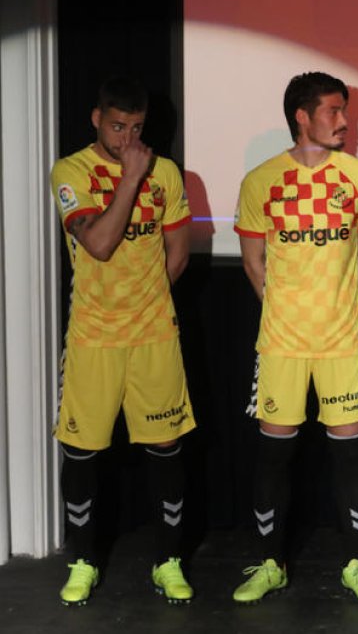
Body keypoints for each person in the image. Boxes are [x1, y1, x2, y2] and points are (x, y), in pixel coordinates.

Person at [231, 71, 358, 605]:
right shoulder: (261, 181)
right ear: (302, 117)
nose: (344, 121)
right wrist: (288, 313)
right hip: (280, 344)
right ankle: (271, 565)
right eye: (333, 111)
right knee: (274, 457)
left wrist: (336, 310)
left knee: (350, 457)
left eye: (346, 111)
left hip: (343, 343)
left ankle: (354, 566)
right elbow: (253, 264)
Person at [50, 76, 195, 605]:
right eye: (117, 127)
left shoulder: (168, 174)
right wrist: (130, 179)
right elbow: (100, 244)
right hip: (94, 338)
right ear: (96, 119)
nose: (128, 139)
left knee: (166, 447)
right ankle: (84, 562)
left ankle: (168, 562)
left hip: (155, 334)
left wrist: (147, 300)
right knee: (83, 452)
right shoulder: (71, 172)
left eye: (136, 128)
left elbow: (177, 252)